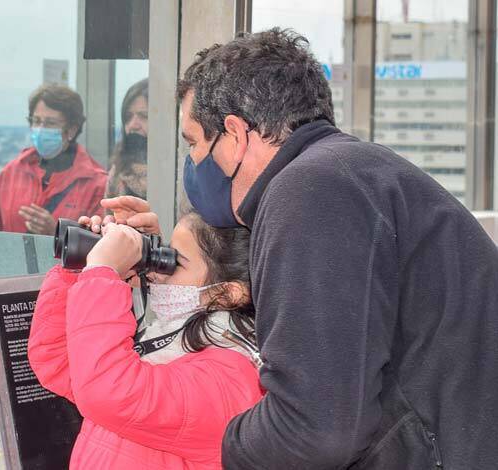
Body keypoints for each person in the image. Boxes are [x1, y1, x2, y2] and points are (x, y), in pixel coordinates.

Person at [88, 28, 498, 468]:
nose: (192, 163)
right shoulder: (349, 173)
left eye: (193, 143)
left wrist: (221, 442)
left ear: (235, 135)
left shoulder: (309, 192)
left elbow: (314, 428)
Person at [29, 211, 263, 469]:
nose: (157, 272)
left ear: (228, 293)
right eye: (164, 253)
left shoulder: (229, 380)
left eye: (177, 262)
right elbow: (57, 361)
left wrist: (102, 273)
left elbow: (107, 393)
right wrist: (81, 269)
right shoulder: (173, 338)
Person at [0, 84, 107, 235]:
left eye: (50, 123)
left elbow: (100, 248)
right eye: (36, 121)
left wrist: (56, 233)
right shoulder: (11, 173)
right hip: (13, 259)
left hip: (64, 259)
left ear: (72, 129)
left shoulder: (97, 183)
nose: (41, 129)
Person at [105, 78, 149, 200]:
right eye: (128, 117)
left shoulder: (177, 174)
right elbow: (108, 215)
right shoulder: (118, 170)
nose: (133, 125)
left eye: (144, 116)